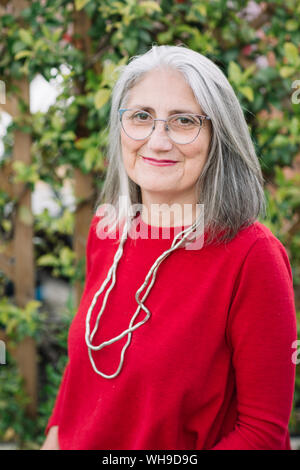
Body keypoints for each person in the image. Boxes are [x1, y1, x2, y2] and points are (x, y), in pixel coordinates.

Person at [41, 44, 297, 450]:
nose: (157, 141)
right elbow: (81, 379)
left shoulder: (252, 256)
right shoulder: (108, 230)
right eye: (141, 117)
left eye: (183, 121)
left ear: (219, 137)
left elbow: (261, 432)